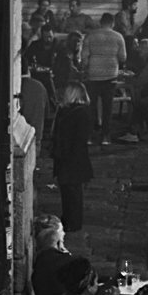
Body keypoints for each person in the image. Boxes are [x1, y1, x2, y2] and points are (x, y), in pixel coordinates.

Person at [47, 82, 95, 234]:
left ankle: (73, 222)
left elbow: (80, 138)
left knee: (73, 191)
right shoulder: (67, 110)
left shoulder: (81, 112)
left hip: (73, 158)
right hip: (65, 156)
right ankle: (68, 218)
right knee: (66, 190)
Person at [28, 215, 84, 295]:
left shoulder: (46, 257)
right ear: (54, 234)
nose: (64, 233)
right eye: (61, 230)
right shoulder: (55, 260)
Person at [79, 12, 127, 114]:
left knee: (92, 105)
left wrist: (85, 70)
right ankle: (106, 129)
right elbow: (123, 57)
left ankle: (91, 127)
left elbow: (84, 56)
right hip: (111, 75)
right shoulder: (118, 37)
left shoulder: (90, 35)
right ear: (112, 23)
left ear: (100, 22)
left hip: (93, 74)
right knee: (108, 106)